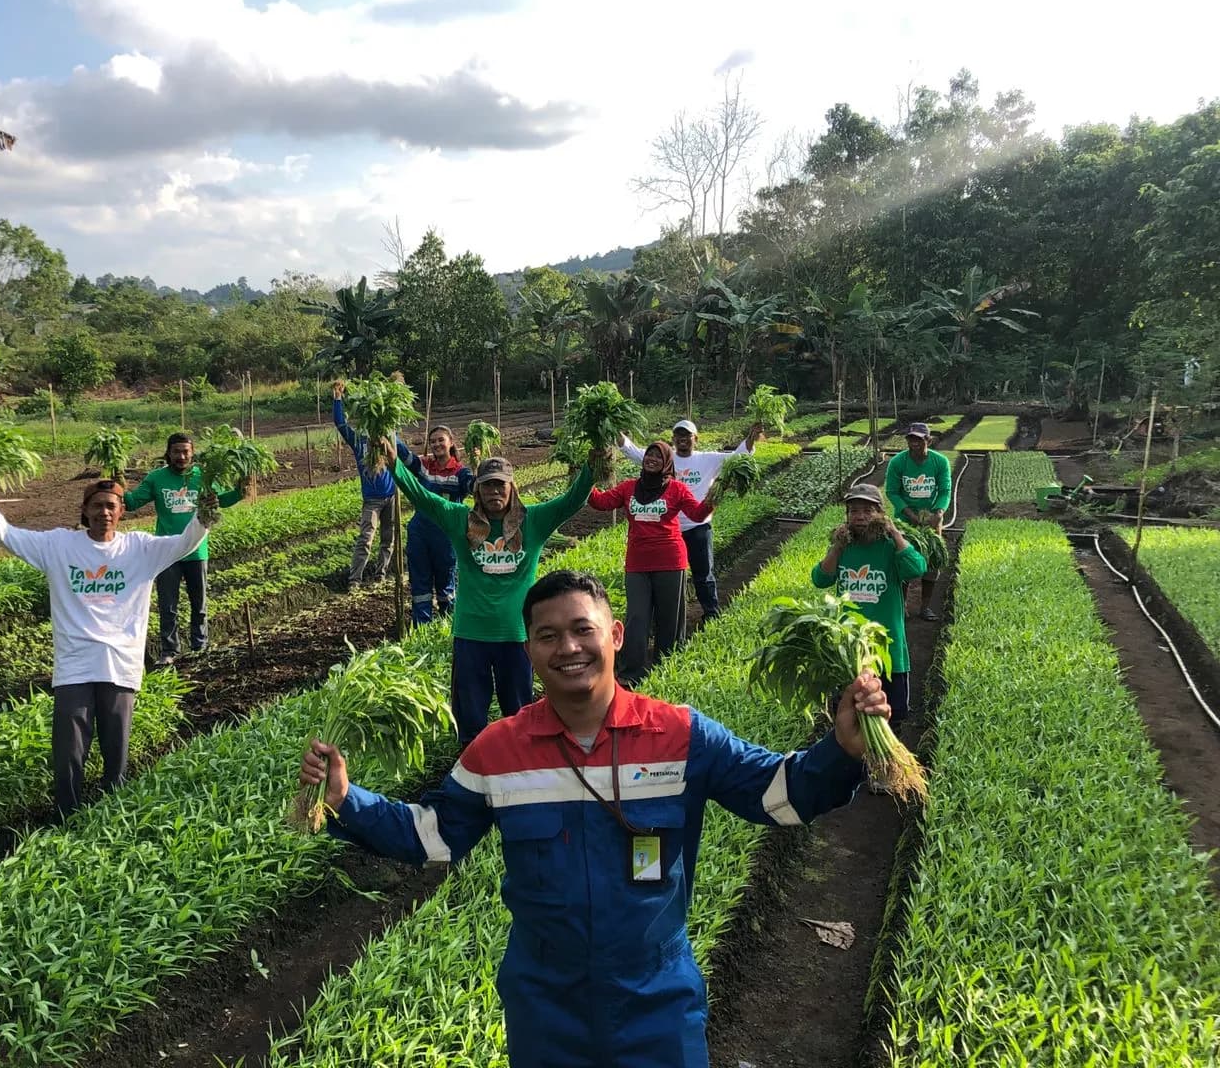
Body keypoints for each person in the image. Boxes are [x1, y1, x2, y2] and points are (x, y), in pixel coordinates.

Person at [298, 569, 889, 1068]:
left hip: (656, 997)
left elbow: (778, 795)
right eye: (548, 636)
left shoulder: (680, 735)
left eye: (584, 630)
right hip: (544, 1002)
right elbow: (431, 837)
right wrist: (347, 797)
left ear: (616, 635)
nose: (568, 648)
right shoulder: (496, 752)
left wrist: (840, 749)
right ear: (528, 649)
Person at [0, 479, 214, 815]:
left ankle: (111, 815)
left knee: (115, 750)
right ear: (85, 511)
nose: (104, 512)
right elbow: (6, 533)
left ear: (121, 511)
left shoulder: (140, 549)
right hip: (74, 665)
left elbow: (187, 542)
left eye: (111, 506)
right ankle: (66, 815)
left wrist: (205, 513)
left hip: (120, 663)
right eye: (97, 505)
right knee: (68, 751)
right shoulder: (58, 546)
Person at [391, 448, 593, 745]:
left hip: (516, 636)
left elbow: (573, 499)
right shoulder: (460, 520)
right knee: (470, 719)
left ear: (512, 488)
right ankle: (473, 770)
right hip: (471, 635)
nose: (494, 491)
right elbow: (422, 496)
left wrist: (595, 459)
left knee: (520, 713)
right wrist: (393, 462)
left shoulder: (533, 521)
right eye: (487, 485)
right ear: (477, 490)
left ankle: (521, 767)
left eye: (501, 484)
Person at [587, 440, 714, 687]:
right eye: (649, 455)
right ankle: (630, 672)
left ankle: (666, 667)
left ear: (666, 462)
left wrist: (716, 494)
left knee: (669, 619)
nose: (651, 459)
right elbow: (600, 503)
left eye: (658, 456)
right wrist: (583, 479)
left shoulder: (677, 489)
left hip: (670, 561)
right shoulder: (628, 488)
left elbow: (698, 515)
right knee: (637, 618)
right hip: (637, 564)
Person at [619, 417, 762, 622]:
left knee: (703, 574)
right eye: (678, 435)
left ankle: (711, 613)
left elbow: (739, 456)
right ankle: (662, 619)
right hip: (668, 530)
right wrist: (614, 429)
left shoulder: (709, 459)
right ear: (673, 438)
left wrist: (751, 437)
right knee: (667, 576)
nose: (682, 439)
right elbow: (631, 450)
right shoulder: (664, 458)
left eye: (687, 435)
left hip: (698, 526)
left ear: (696, 439)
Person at [811, 483, 926, 726]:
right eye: (853, 511)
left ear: (880, 514)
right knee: (850, 720)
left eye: (868, 510)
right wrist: (837, 546)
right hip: (849, 649)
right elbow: (820, 579)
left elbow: (917, 568)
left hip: (888, 650)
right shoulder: (844, 547)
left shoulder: (889, 547)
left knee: (889, 720)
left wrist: (895, 534)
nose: (860, 516)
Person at [123, 431, 243, 663]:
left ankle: (200, 646)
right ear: (168, 453)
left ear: (192, 453)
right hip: (166, 552)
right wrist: (119, 490)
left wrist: (240, 490)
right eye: (176, 451)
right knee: (168, 605)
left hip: (196, 550)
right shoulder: (157, 478)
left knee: (199, 603)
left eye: (185, 451)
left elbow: (222, 500)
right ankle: (170, 652)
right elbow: (134, 502)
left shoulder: (203, 476)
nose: (181, 456)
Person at [394, 425, 474, 624]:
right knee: (419, 583)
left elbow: (474, 487)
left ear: (451, 443)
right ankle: (422, 625)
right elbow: (403, 455)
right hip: (420, 533)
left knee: (445, 584)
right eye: (433, 441)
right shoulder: (425, 466)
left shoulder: (460, 472)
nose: (437, 444)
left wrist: (478, 466)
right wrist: (388, 431)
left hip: (446, 536)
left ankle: (449, 625)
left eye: (441, 440)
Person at [883, 421, 952, 621]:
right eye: (911, 439)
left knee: (932, 560)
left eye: (919, 439)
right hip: (905, 521)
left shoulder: (940, 462)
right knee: (904, 561)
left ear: (928, 440)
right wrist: (910, 515)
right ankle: (902, 606)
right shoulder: (898, 462)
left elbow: (945, 490)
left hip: (932, 520)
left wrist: (938, 512)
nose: (914, 443)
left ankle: (925, 607)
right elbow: (892, 492)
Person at [330, 381, 397, 587]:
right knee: (366, 539)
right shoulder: (359, 441)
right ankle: (355, 579)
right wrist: (337, 399)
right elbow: (341, 424)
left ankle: (381, 574)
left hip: (392, 496)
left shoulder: (389, 438)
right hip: (372, 500)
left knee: (389, 538)